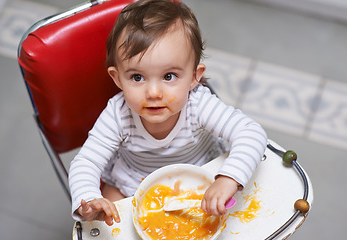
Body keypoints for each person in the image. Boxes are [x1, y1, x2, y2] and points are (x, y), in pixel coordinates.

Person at [69, 0, 267, 226]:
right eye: (137, 77)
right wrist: (91, 198)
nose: (153, 93)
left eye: (169, 76)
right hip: (132, 184)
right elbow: (86, 163)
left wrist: (228, 178)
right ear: (117, 78)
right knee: (109, 226)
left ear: (194, 77)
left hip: (200, 179)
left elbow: (251, 133)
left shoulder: (198, 105)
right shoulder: (117, 114)